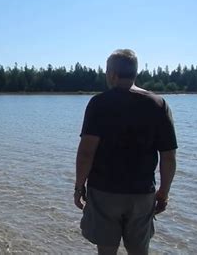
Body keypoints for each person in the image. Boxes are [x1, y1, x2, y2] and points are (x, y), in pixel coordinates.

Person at [74, 49, 177, 255]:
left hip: (104, 192)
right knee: (139, 251)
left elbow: (86, 152)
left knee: (106, 251)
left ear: (112, 73)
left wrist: (79, 187)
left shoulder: (99, 103)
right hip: (142, 193)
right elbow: (168, 156)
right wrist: (163, 193)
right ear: (135, 72)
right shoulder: (158, 104)